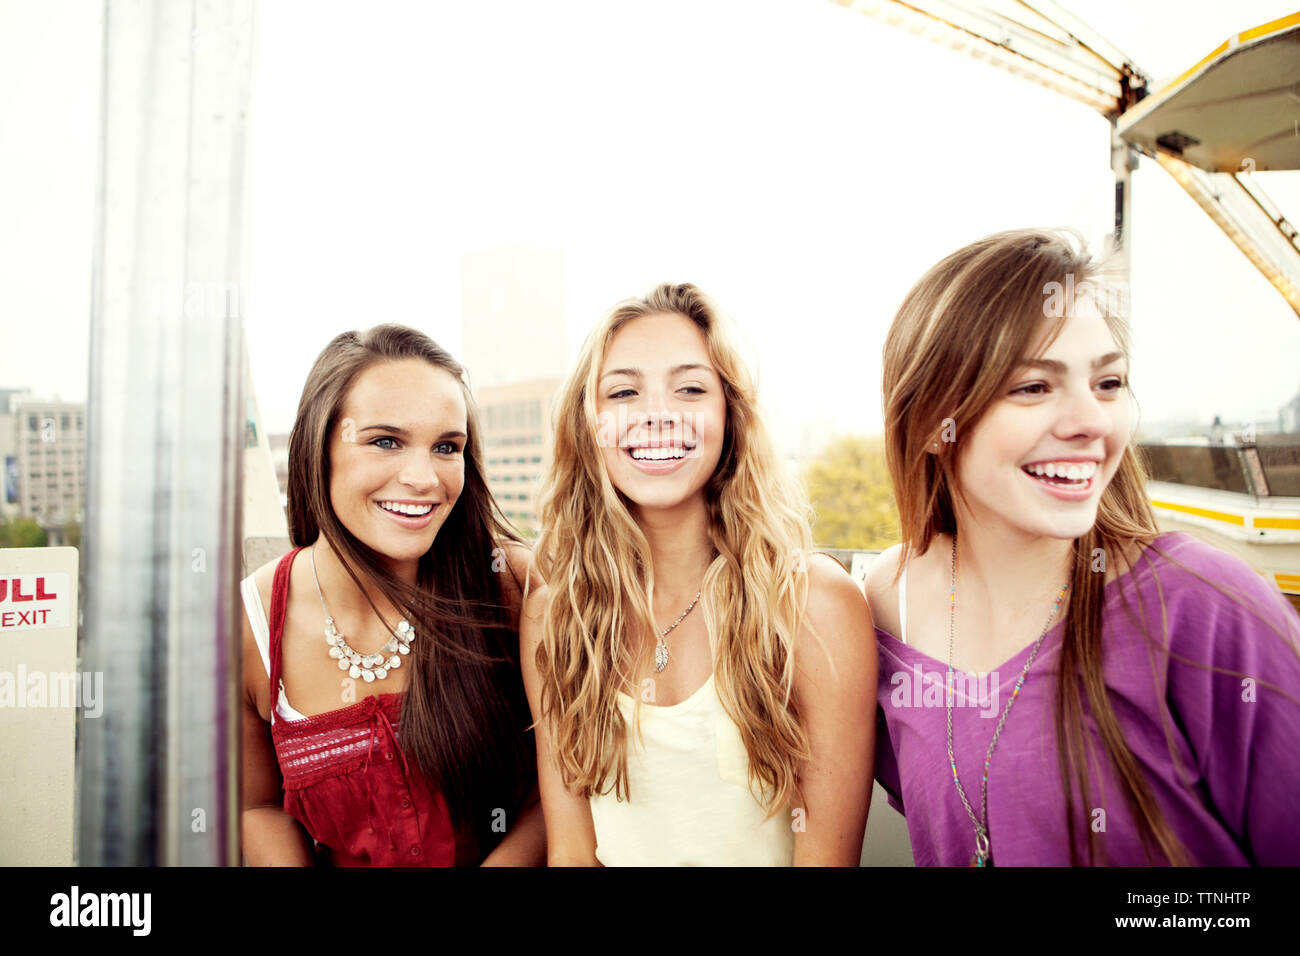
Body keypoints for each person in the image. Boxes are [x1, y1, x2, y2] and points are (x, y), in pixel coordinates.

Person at [864, 228, 1300, 866]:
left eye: (1108, 383)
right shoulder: (887, 604)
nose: (1091, 422)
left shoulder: (1203, 605)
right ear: (933, 421)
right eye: (1034, 387)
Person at [521, 282, 876, 866]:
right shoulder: (555, 615)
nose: (658, 415)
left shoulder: (811, 602)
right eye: (623, 391)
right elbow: (572, 853)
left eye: (689, 388)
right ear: (590, 425)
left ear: (728, 416)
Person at [239, 324, 544, 865]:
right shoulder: (254, 623)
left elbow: (565, 786)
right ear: (319, 445)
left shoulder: (512, 587)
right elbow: (257, 805)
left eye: (447, 447)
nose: (424, 478)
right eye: (386, 441)